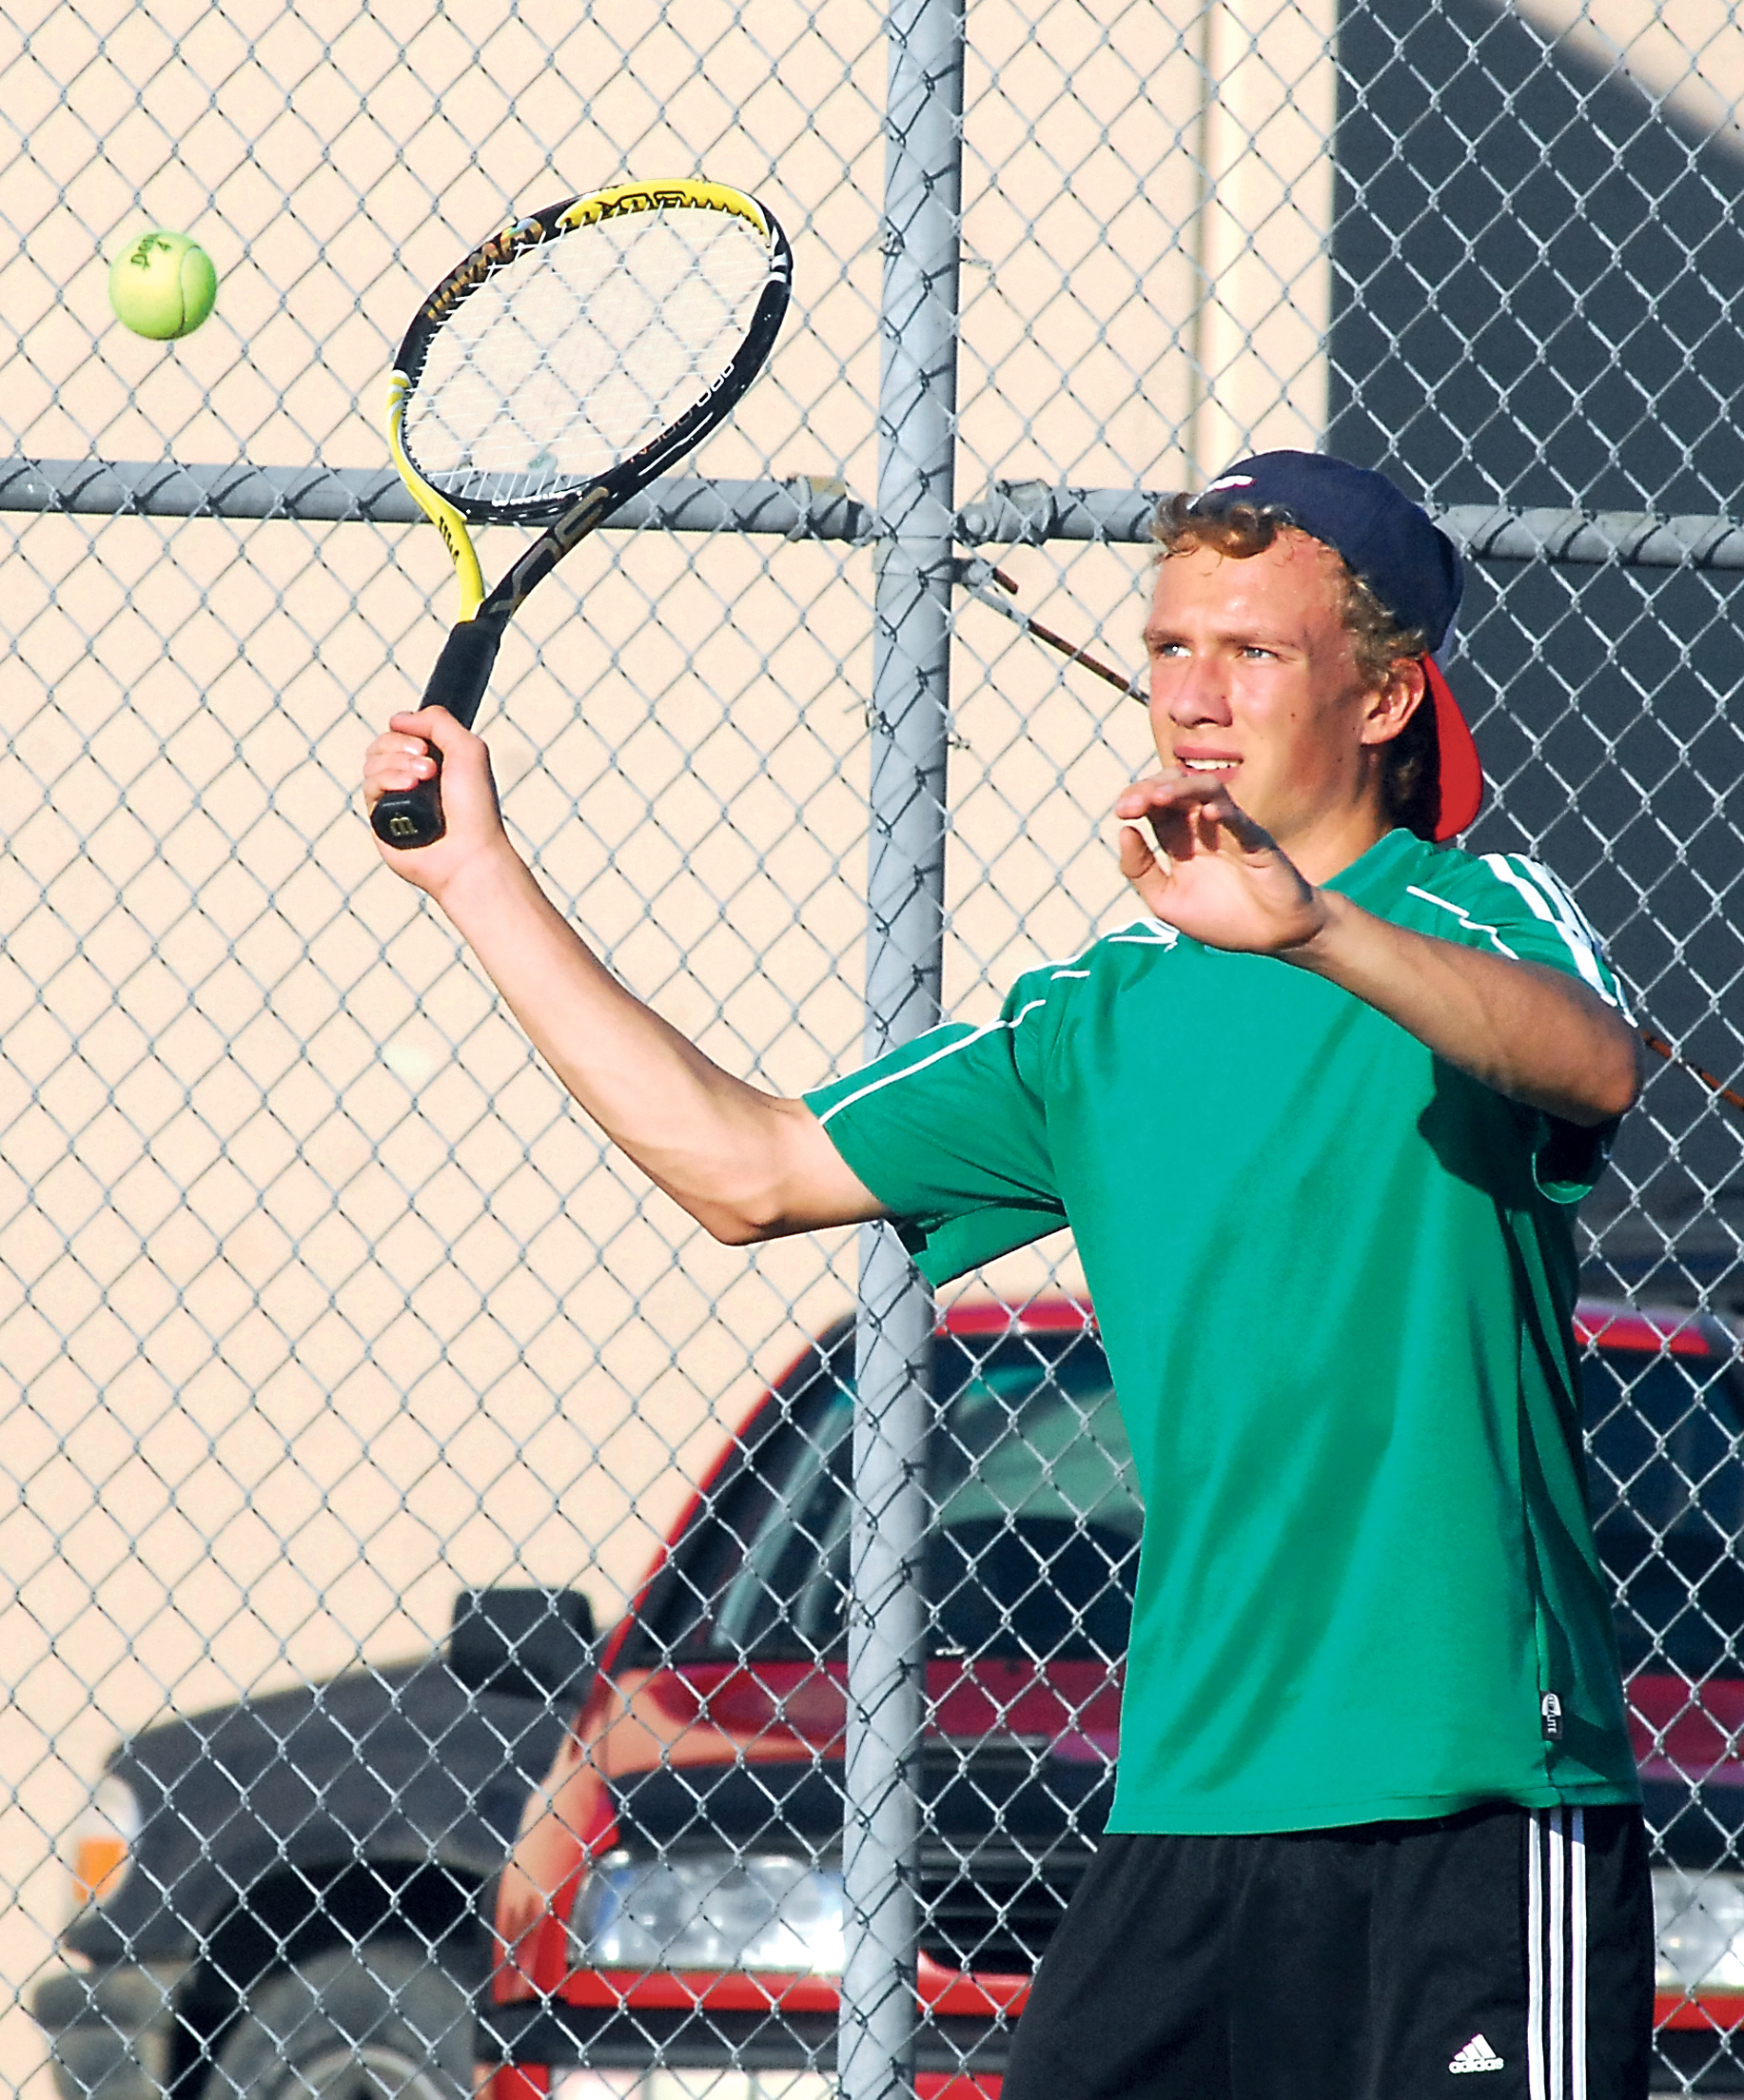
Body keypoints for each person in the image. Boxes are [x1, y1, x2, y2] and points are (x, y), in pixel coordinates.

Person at [364, 450, 1653, 2099]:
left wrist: (1313, 929)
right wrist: (476, 876)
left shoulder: (1478, 912)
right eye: (1171, 644)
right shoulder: (1095, 1016)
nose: (1191, 693)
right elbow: (742, 1168)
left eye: (1251, 653)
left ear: (1387, 694)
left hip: (1474, 1811)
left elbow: (1589, 1065)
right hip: (1188, 1813)